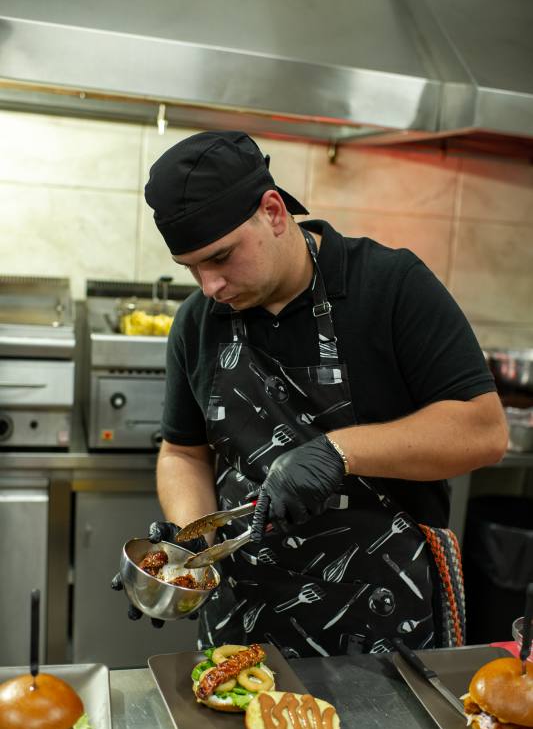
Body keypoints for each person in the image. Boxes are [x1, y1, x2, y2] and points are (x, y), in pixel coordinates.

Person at [115, 130, 508, 657]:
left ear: (273, 212)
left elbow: (484, 431)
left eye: (221, 257)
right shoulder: (197, 322)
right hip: (242, 625)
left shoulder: (390, 287)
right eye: (192, 268)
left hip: (379, 625)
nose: (210, 286)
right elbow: (183, 452)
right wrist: (191, 548)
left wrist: (338, 452)